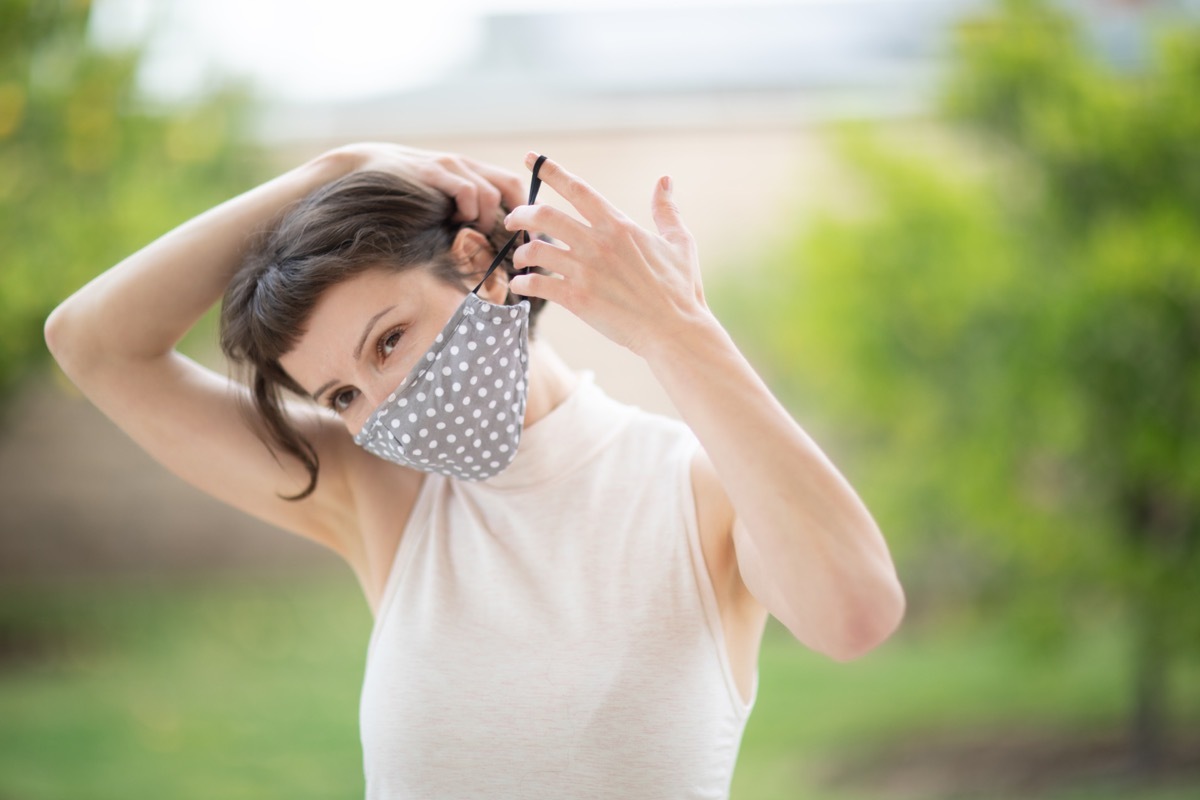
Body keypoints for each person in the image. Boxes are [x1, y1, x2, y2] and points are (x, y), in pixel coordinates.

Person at [44, 142, 906, 798]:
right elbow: (92, 344)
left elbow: (855, 614)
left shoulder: (694, 488)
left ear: (473, 267)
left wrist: (676, 329)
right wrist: (337, 168)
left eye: (390, 340)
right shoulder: (375, 496)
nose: (381, 406)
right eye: (343, 394)